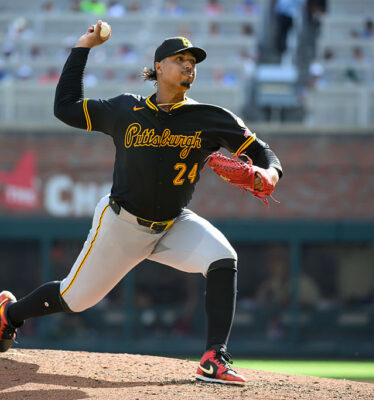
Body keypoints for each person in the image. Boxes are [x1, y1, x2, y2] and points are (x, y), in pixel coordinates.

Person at [0, 21, 282, 385]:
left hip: (172, 223)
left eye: (193, 62)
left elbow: (263, 152)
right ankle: (10, 313)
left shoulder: (211, 118)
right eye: (180, 59)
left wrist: (271, 173)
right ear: (159, 68)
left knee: (223, 257)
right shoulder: (125, 109)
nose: (188, 66)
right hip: (121, 223)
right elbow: (65, 107)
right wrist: (83, 47)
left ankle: (214, 357)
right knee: (75, 298)